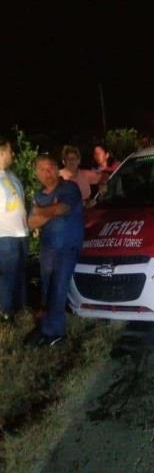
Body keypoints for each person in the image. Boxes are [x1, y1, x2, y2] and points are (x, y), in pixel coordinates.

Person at [25, 156, 84, 346]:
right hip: (48, 247)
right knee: (48, 288)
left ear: (57, 168)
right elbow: (30, 222)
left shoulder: (69, 188)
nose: (46, 172)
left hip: (67, 247)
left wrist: (41, 211)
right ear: (36, 173)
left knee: (58, 288)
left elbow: (63, 208)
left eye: (49, 167)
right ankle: (52, 328)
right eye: (41, 169)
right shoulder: (39, 195)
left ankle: (51, 332)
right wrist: (50, 210)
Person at [0, 135, 29, 323]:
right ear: (1, 152)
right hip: (5, 236)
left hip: (21, 234)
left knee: (20, 274)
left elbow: (20, 202)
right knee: (7, 276)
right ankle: (6, 314)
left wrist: (27, 225)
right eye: (10, 150)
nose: (13, 154)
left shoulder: (11, 176)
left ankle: (20, 310)